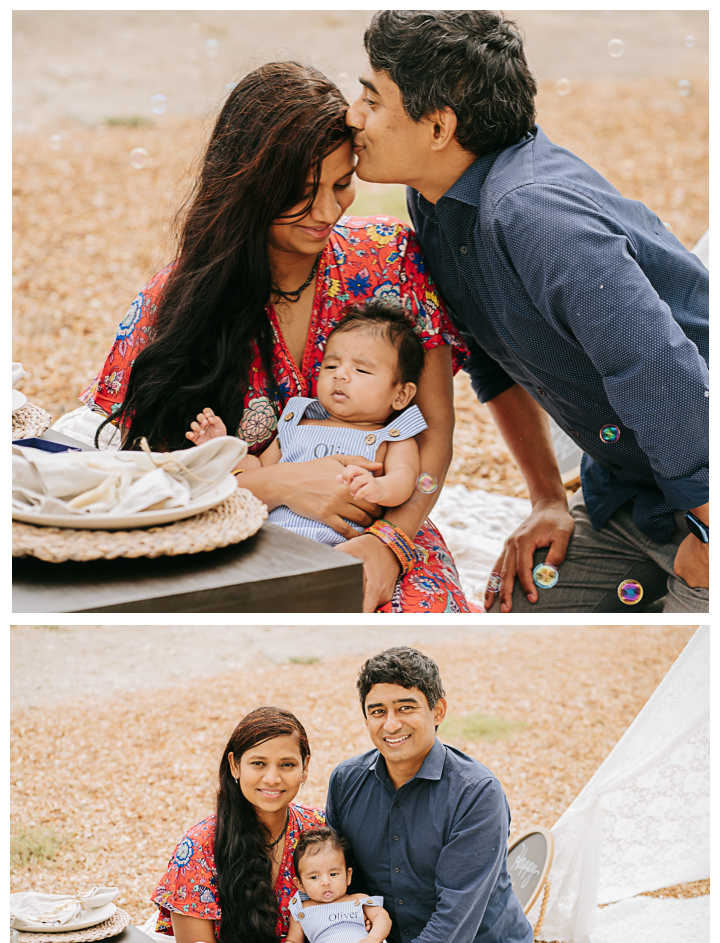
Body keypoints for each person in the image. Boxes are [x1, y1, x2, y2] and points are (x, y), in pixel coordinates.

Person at [348, 10, 709, 614]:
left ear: (439, 127)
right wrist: (546, 498)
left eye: (371, 98)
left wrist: (708, 530)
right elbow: (492, 359)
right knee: (516, 605)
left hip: (703, 489)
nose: (353, 115)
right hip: (628, 490)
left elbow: (656, 366)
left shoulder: (531, 211)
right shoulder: (437, 199)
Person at [81, 61, 474, 613]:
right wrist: (276, 486)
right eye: (301, 193)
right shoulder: (176, 303)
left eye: (342, 185)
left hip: (384, 537)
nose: (327, 212)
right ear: (245, 187)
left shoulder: (390, 260)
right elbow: (139, 474)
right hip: (227, 539)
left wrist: (389, 545)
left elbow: (433, 434)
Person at [324, 646, 564, 943]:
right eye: (377, 711)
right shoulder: (346, 782)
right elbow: (340, 883)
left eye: (406, 707)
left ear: (438, 710)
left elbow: (455, 918)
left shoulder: (477, 792)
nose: (391, 723)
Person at [150, 707, 388, 943]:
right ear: (234, 766)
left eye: (288, 765)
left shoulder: (317, 831)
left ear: (306, 768)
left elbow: (354, 917)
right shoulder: (200, 846)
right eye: (258, 763)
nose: (272, 778)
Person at [186, 299, 429, 547]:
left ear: (400, 395)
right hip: (270, 538)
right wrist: (221, 448)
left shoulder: (391, 437)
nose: (340, 374)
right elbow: (258, 468)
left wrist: (379, 488)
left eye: (362, 370)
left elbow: (405, 479)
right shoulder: (298, 425)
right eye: (331, 365)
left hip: (340, 546)